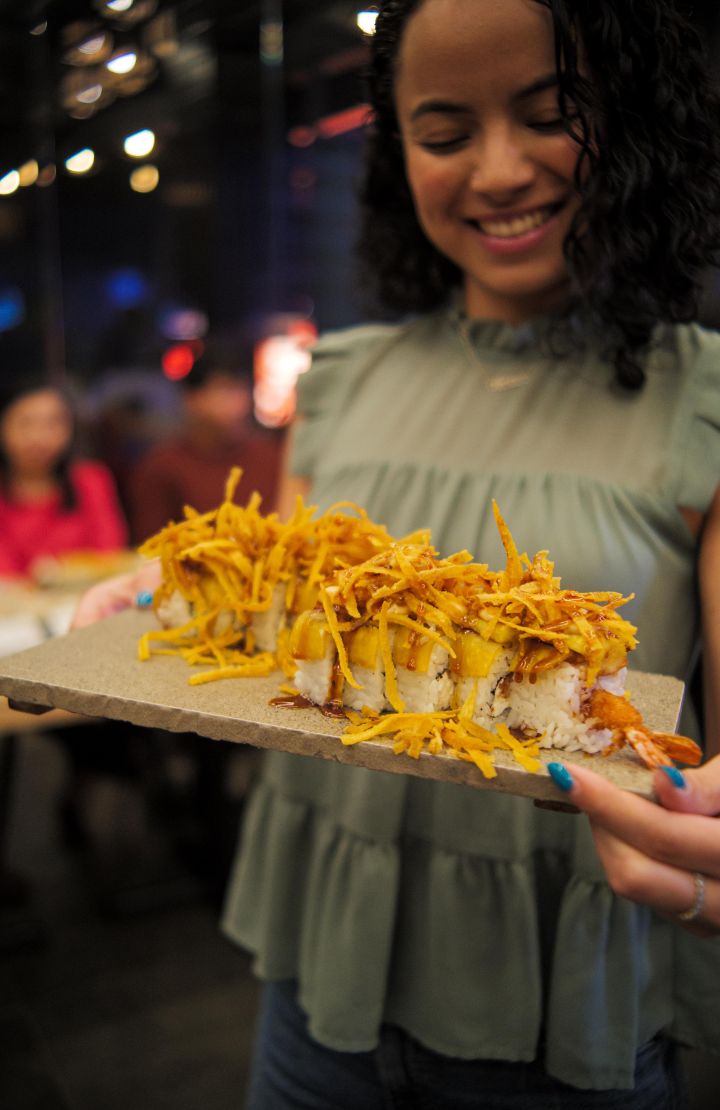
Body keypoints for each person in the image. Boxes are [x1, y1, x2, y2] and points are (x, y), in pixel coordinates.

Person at [73, 0, 720, 1105]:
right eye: (445, 132)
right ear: (398, 157)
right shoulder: (341, 377)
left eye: (551, 115)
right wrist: (183, 594)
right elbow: (290, 614)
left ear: (637, 125)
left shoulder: (702, 394)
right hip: (317, 971)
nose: (499, 171)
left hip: (564, 998)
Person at [126, 353, 281, 544]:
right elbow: (150, 545)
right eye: (224, 391)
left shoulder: (273, 457)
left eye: (242, 390)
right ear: (191, 399)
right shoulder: (162, 466)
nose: (238, 404)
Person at [0, 377, 127, 578]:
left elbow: (110, 555)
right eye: (25, 423)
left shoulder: (90, 480)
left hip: (88, 594)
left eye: (53, 424)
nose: (39, 437)